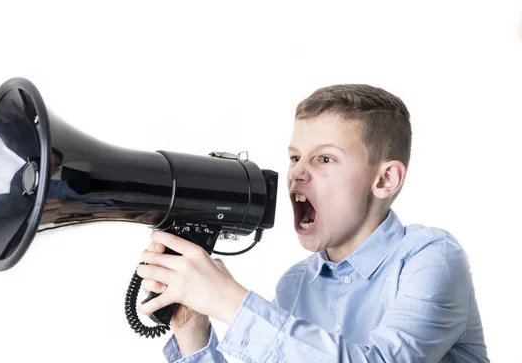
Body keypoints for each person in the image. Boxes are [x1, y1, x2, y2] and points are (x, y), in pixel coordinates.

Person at [137, 84, 489, 362]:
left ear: (385, 180)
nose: (296, 173)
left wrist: (228, 300)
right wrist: (191, 326)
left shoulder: (431, 257)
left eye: (324, 158)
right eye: (294, 156)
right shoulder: (295, 285)